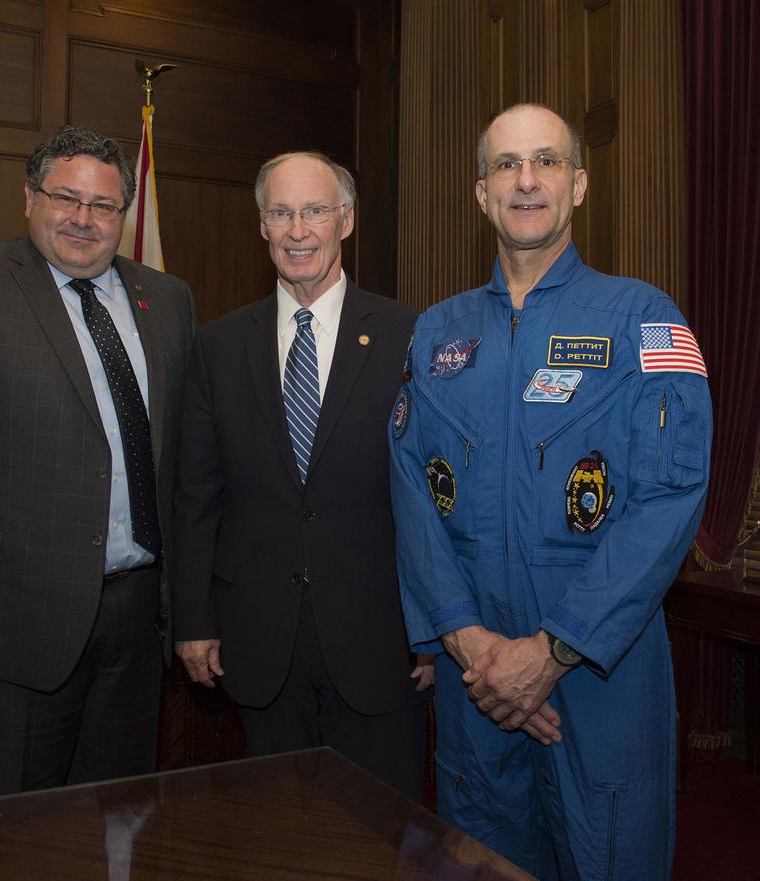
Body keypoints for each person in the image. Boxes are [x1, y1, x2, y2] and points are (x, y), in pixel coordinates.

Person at [390, 103, 712, 880]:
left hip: (602, 672)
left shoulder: (644, 319)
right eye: (506, 164)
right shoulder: (437, 334)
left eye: (545, 162)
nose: (525, 179)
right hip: (477, 684)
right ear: (481, 192)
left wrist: (555, 649)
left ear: (579, 184)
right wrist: (469, 642)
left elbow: (670, 498)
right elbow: (409, 492)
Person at [0, 126, 197, 799]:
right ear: (29, 198)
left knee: (119, 822)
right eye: (65, 198)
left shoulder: (167, 301)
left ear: (124, 214)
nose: (83, 219)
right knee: (7, 836)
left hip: (136, 622)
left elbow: (182, 457)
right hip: (3, 624)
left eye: (103, 205)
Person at [174, 151, 432, 799]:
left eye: (314, 211)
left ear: (345, 220)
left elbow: (436, 493)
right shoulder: (218, 345)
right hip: (257, 638)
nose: (298, 230)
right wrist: (193, 619)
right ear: (261, 225)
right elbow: (196, 495)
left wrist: (435, 623)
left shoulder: (411, 335)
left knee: (382, 832)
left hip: (382, 637)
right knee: (275, 832)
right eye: (281, 213)